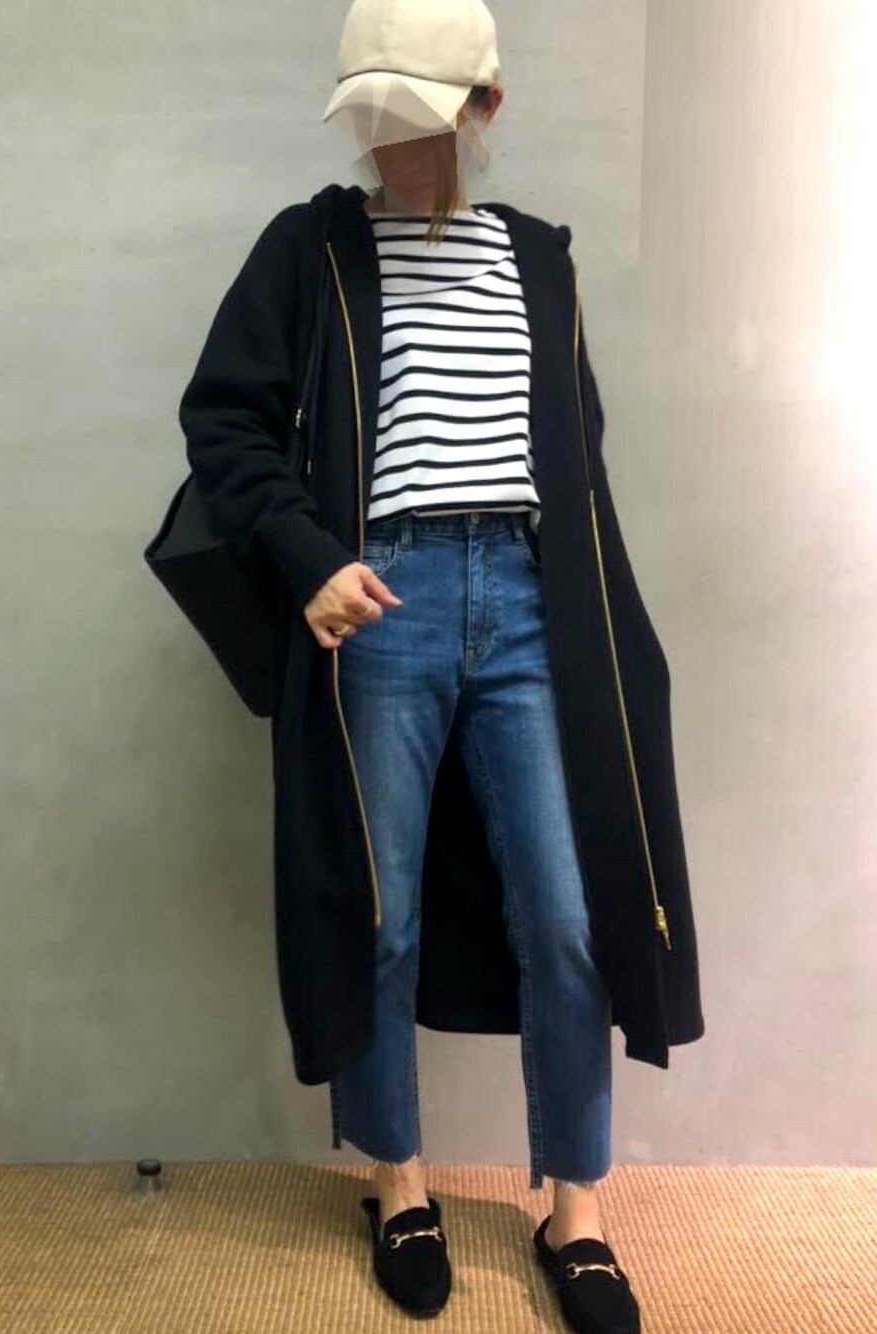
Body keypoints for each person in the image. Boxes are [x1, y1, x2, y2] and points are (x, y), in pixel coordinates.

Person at [180, 1, 704, 1328]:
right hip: (388, 603)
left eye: (418, 120)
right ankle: (398, 1182)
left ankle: (576, 1207)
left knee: (566, 915)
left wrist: (595, 624)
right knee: (384, 913)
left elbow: (575, 462)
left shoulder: (539, 260)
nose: (393, 146)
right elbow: (226, 422)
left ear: (483, 107)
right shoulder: (313, 247)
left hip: (528, 607)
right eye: (377, 121)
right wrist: (311, 556)